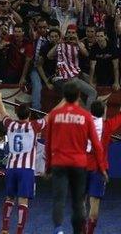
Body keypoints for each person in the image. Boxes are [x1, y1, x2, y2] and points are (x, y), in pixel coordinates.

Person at [45, 82, 107, 234]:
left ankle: (58, 230)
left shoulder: (54, 115)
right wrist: (102, 168)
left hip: (59, 163)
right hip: (78, 164)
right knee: (78, 203)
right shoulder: (85, 116)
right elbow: (97, 145)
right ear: (79, 96)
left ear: (64, 96)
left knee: (59, 199)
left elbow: (48, 142)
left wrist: (48, 166)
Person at [0, 96, 46, 234]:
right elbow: (51, 116)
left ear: (16, 114)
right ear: (29, 114)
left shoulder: (10, 124)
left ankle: (4, 228)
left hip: (11, 168)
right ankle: (19, 231)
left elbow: (3, 112)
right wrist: (65, 101)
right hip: (26, 169)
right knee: (23, 201)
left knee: (9, 198)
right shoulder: (34, 125)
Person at [84, 100, 121, 234]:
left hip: (81, 167)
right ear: (104, 112)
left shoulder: (83, 125)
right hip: (99, 170)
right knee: (94, 205)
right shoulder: (108, 126)